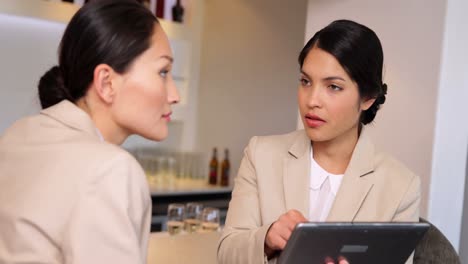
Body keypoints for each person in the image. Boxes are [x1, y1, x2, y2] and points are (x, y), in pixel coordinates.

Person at [217, 19, 420, 264]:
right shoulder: (261, 155)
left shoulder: (400, 186)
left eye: (333, 87)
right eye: (305, 81)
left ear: (367, 98)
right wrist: (267, 238)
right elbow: (226, 252)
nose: (312, 100)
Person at [0, 0, 179, 263]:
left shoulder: (17, 133)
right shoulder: (112, 170)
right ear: (106, 83)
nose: (175, 95)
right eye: (163, 72)